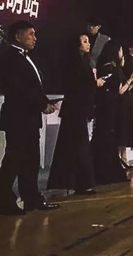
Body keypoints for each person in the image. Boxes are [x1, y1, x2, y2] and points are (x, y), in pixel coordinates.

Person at [0, 21, 60, 215]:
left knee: (30, 161)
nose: (35, 38)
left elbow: (33, 87)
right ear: (18, 36)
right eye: (31, 34)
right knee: (14, 161)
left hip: (28, 119)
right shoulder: (11, 58)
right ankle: (4, 200)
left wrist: (45, 102)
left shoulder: (24, 57)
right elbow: (20, 89)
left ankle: (31, 198)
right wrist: (42, 105)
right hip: (19, 119)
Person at [47, 34, 106, 195]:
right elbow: (76, 84)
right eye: (85, 41)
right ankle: (79, 183)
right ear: (77, 44)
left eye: (88, 41)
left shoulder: (85, 61)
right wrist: (95, 83)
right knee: (78, 146)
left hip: (80, 108)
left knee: (75, 146)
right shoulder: (72, 62)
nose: (88, 44)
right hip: (74, 109)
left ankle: (75, 183)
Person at [91, 41, 133, 183]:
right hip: (108, 110)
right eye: (120, 50)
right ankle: (105, 174)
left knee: (108, 141)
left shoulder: (112, 68)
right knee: (106, 141)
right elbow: (118, 91)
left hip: (109, 110)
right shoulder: (109, 69)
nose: (122, 53)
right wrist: (130, 81)